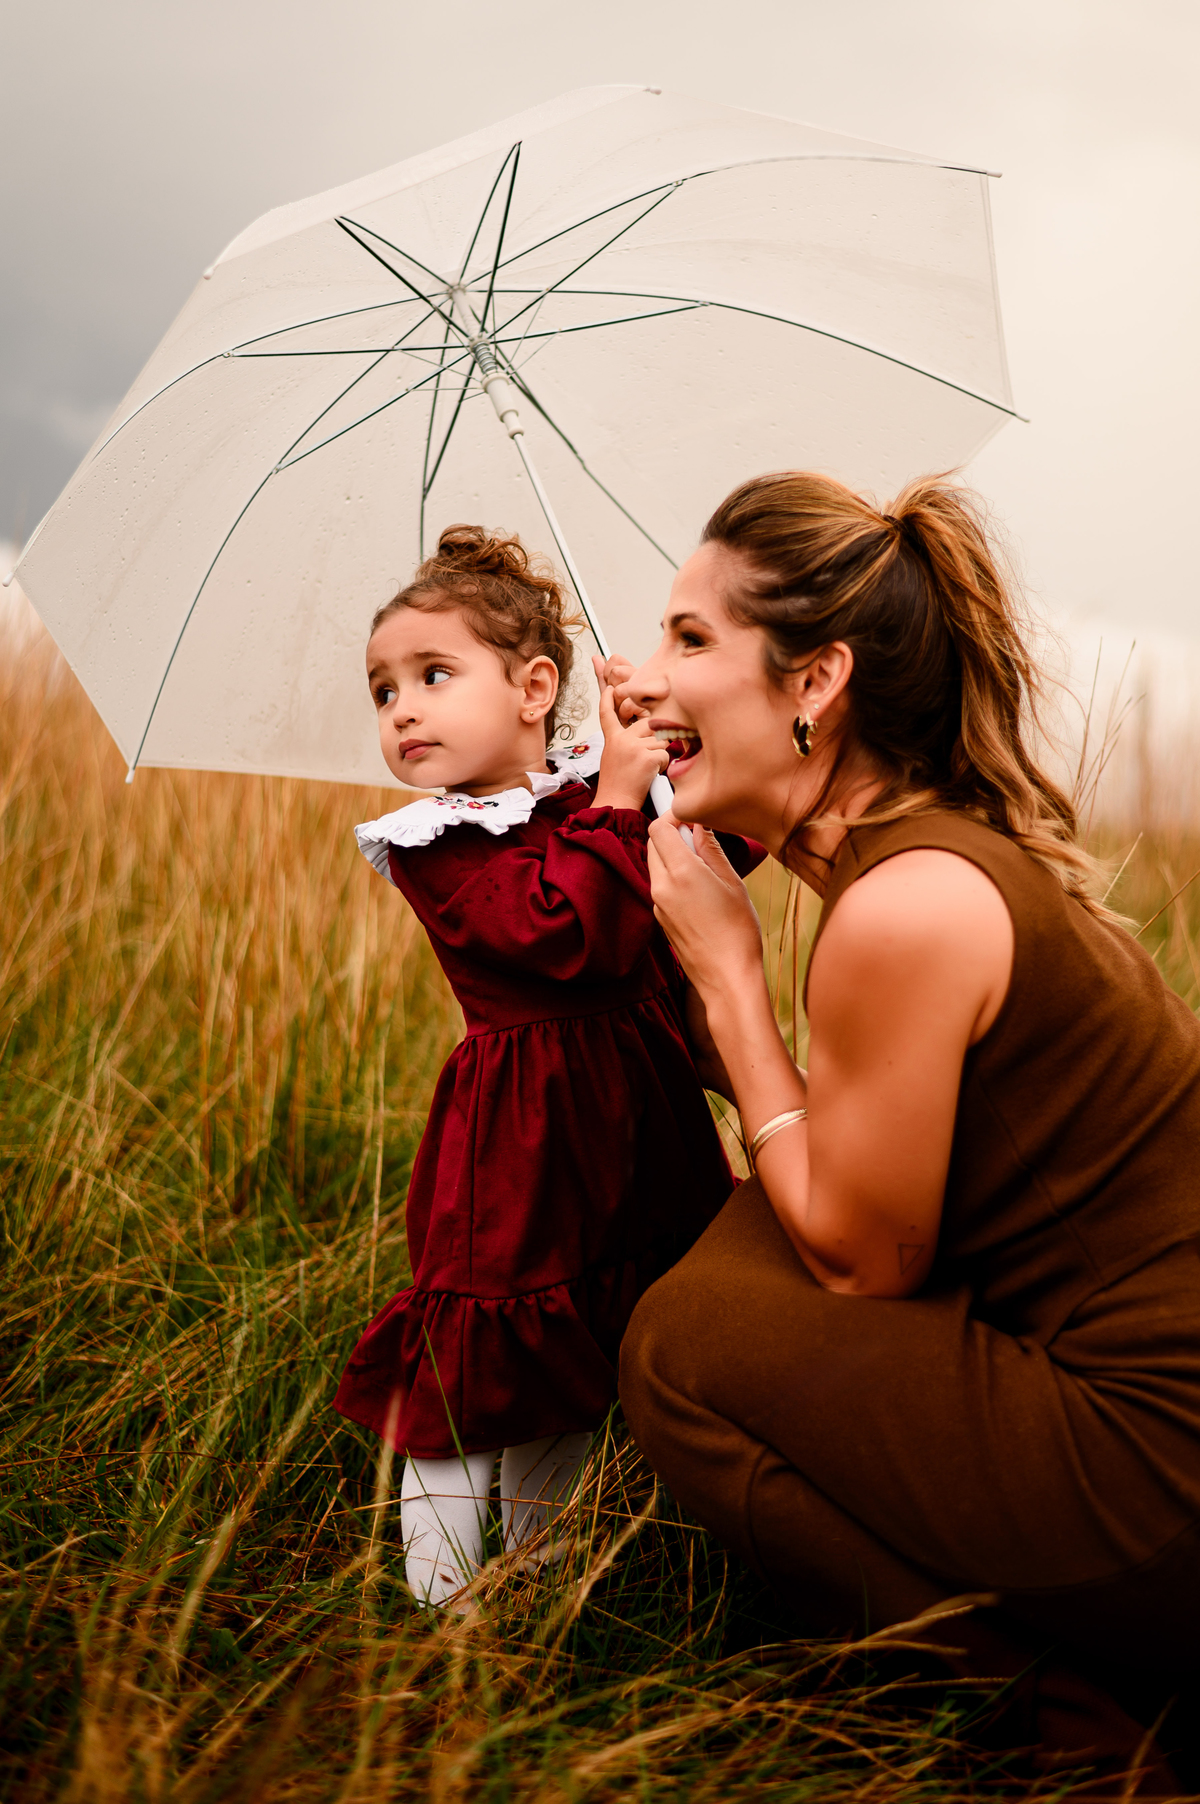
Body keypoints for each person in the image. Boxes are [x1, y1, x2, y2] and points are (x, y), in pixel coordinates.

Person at [609, 472, 1200, 1793]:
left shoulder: (905, 908)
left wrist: (733, 986)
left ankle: (1083, 1742)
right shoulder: (931, 856)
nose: (642, 679)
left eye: (690, 638)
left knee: (684, 1348)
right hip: (1137, 1432)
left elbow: (865, 1262)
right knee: (740, 1247)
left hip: (1165, 1478)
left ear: (817, 683)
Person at [333, 524, 759, 1609]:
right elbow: (560, 933)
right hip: (521, 1143)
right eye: (384, 691)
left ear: (534, 689)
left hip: (635, 1117)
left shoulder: (588, 790)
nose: (403, 709)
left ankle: (539, 1569)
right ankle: (438, 1598)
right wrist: (614, 797)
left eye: (433, 675)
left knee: (586, 1343)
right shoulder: (439, 844)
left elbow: (717, 842)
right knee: (483, 1357)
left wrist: (667, 736)